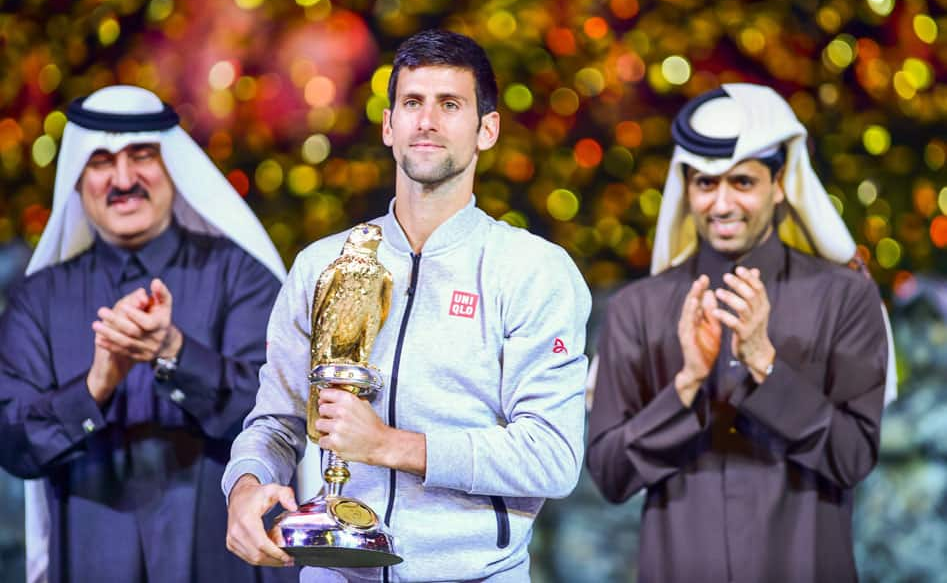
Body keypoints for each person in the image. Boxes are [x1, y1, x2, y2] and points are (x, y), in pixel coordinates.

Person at [223, 29, 592, 582]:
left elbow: (551, 455)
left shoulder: (533, 271)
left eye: (450, 104)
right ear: (388, 126)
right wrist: (246, 484)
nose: (427, 120)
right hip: (334, 571)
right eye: (412, 103)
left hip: (473, 573)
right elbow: (277, 420)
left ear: (486, 129)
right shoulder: (323, 264)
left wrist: (392, 446)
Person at [586, 84, 893, 583]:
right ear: (686, 189)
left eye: (743, 182)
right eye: (706, 184)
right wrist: (686, 383)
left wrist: (764, 363)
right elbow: (612, 476)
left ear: (779, 185)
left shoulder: (845, 298)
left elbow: (854, 457)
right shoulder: (636, 310)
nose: (722, 203)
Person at [0, 85, 296, 583]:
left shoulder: (240, 275)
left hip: (224, 565)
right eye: (100, 161)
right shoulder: (40, 299)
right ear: (76, 176)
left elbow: (283, 410)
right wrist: (95, 386)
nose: (123, 179)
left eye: (141, 156)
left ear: (172, 167)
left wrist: (175, 353)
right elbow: (11, 440)